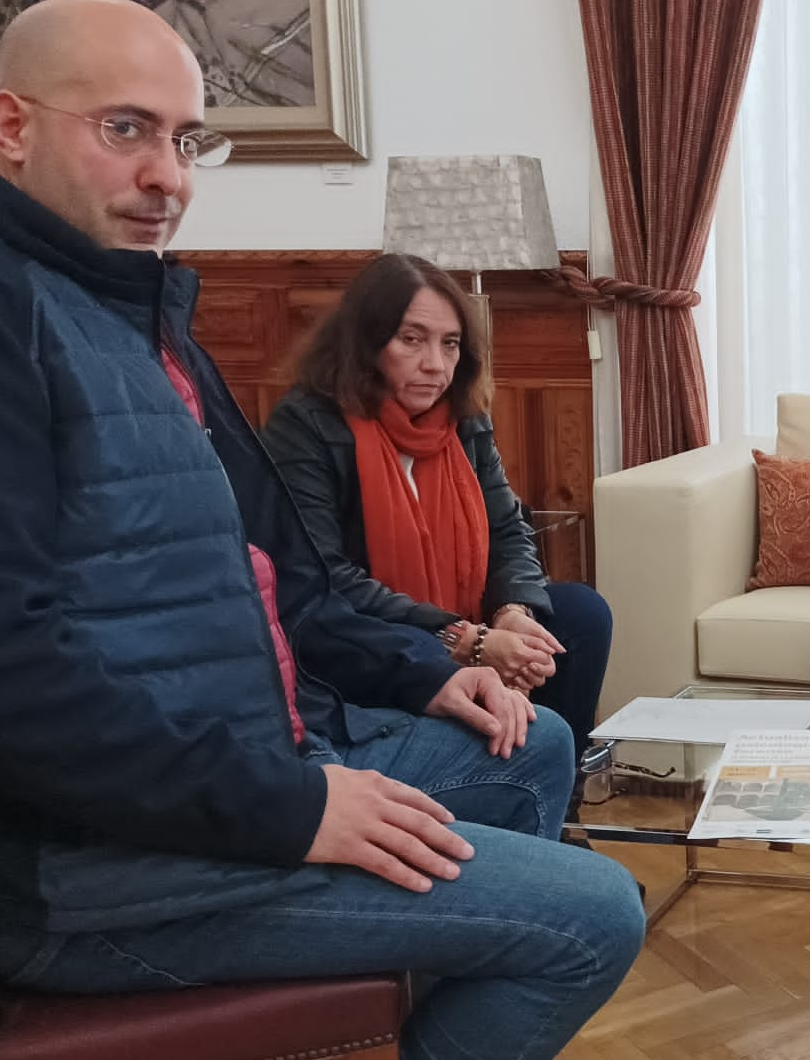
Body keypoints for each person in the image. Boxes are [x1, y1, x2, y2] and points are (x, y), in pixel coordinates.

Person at [0, 0, 641, 1060]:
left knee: (529, 744)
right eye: (125, 128)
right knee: (593, 914)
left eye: (185, 138)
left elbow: (285, 584)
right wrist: (298, 806)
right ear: (14, 127)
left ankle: (405, 1027)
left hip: (247, 767)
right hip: (98, 873)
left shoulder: (136, 314)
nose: (169, 174)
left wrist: (427, 673)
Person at [260, 253, 612, 798]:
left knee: (582, 616)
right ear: (366, 343)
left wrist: (512, 612)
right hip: (370, 632)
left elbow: (508, 527)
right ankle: (498, 774)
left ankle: (550, 800)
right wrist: (464, 639)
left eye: (449, 344)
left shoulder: (463, 419)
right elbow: (325, 578)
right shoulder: (306, 426)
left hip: (465, 614)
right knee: (466, 649)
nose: (435, 365)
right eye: (412, 340)